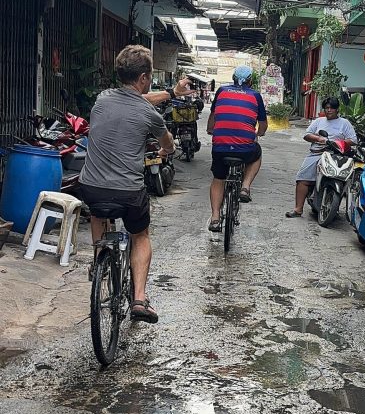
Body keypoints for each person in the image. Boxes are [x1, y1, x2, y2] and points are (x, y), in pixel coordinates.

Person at [79, 45, 181, 325]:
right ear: (145, 78)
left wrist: (169, 94)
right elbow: (167, 143)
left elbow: (134, 101)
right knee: (141, 235)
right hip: (128, 192)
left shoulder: (101, 100)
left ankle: (98, 257)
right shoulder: (151, 115)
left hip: (91, 186)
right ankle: (139, 298)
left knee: (99, 211)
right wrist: (165, 153)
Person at [206, 65, 267, 232]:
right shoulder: (255, 96)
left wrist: (211, 129)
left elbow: (213, 116)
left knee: (219, 178)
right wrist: (259, 133)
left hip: (220, 147)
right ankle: (245, 187)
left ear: (233, 78)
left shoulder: (221, 91)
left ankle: (216, 218)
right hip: (245, 148)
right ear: (250, 81)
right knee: (257, 153)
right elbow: (262, 126)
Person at [286, 97, 357, 218]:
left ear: (337, 109)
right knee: (303, 178)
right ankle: (298, 209)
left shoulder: (344, 123)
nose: (329, 110)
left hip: (337, 154)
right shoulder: (319, 121)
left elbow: (353, 140)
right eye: (327, 108)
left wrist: (338, 143)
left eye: (331, 108)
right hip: (317, 152)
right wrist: (318, 139)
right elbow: (307, 135)